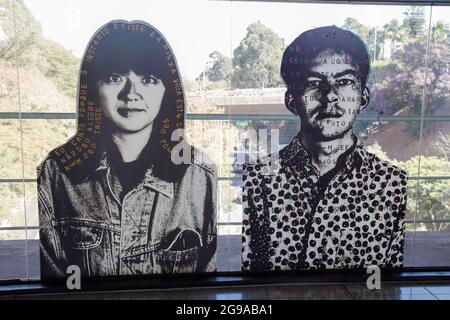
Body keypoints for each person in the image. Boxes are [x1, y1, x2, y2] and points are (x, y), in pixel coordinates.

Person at [38, 20, 217, 279]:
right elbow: (52, 281)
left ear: (168, 91)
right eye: (115, 77)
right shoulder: (56, 172)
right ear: (93, 90)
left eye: (148, 79)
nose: (131, 93)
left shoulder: (199, 174)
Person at [242, 26, 408, 271]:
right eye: (314, 83)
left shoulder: (391, 183)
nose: (330, 95)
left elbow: (390, 283)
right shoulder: (258, 180)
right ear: (291, 100)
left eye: (344, 81)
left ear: (363, 97)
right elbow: (252, 281)